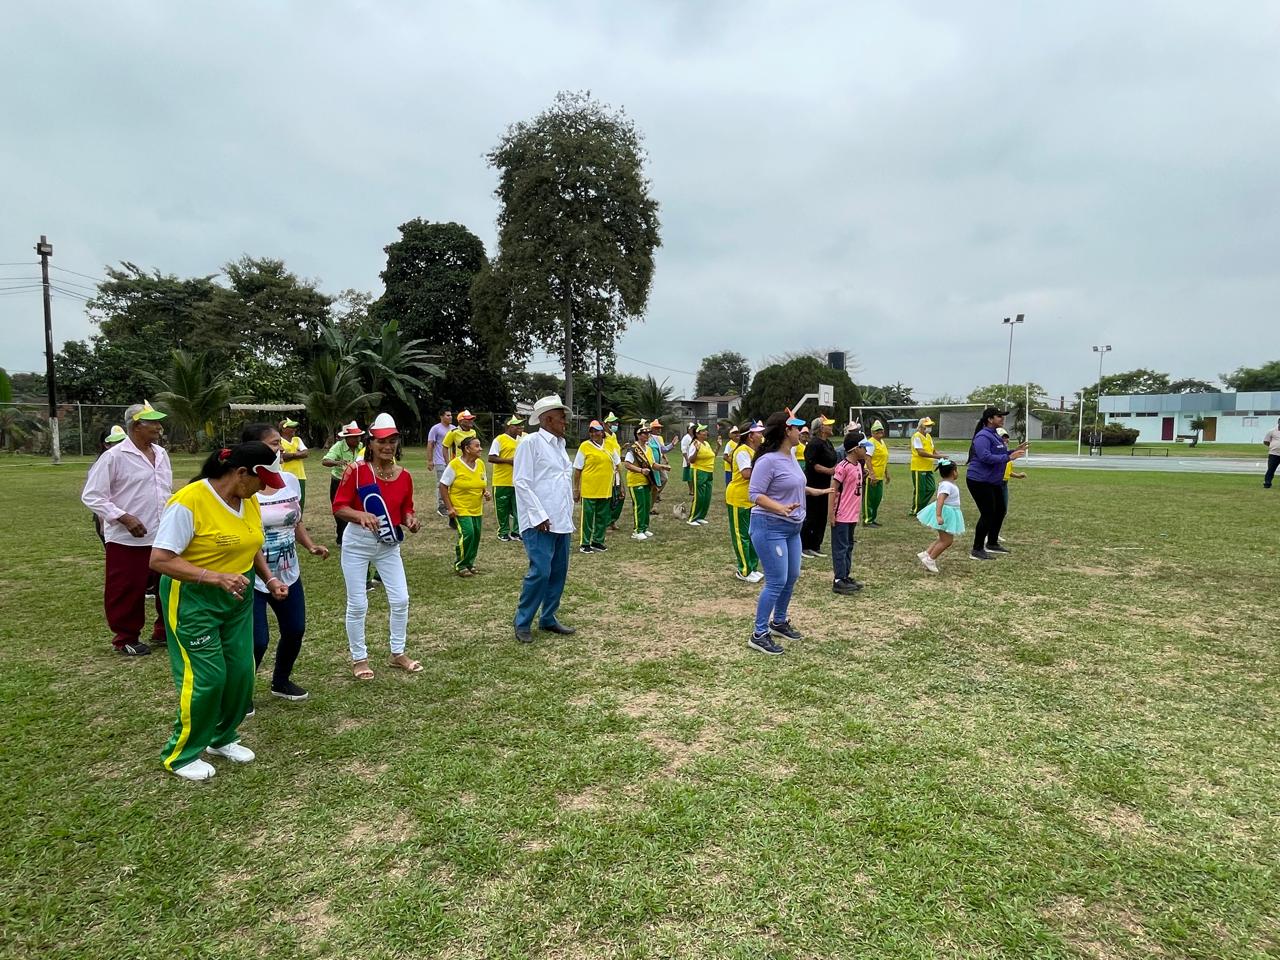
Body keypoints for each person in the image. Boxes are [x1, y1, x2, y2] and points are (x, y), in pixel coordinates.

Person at [149, 441, 287, 781]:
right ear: (241, 473)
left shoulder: (248, 499)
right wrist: (213, 577)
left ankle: (222, 736)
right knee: (207, 678)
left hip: (237, 597)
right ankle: (180, 755)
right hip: (193, 599)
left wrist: (269, 578)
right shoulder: (189, 501)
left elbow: (250, 544)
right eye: (262, 480)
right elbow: (160, 560)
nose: (264, 488)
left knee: (241, 673)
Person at [240, 423, 329, 704]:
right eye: (274, 443)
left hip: (288, 572)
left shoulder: (289, 481)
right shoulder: (244, 487)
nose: (281, 449)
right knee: (257, 641)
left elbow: (295, 520)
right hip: (252, 575)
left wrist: (310, 545)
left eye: (280, 443)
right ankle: (241, 695)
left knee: (295, 630)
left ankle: (281, 681)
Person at [332, 413, 422, 678]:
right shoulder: (357, 471)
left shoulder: (404, 476)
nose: (387, 446)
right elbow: (339, 507)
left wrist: (410, 520)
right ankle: (359, 659)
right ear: (370, 443)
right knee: (358, 603)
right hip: (357, 543)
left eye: (392, 441)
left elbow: (406, 509)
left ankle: (398, 653)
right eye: (381, 441)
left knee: (401, 599)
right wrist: (359, 515)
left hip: (388, 544)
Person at [81, 400, 174, 657]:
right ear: (136, 426)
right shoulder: (114, 456)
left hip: (162, 533)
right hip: (127, 538)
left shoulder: (161, 454)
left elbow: (164, 490)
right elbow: (92, 495)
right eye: (152, 423)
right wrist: (122, 517)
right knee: (127, 588)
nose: (159, 427)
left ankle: (164, 630)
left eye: (158, 422)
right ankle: (126, 637)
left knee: (166, 585)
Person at [746, 411, 833, 656]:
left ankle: (779, 622)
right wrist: (780, 508)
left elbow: (792, 484)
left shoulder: (791, 455)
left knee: (791, 576)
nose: (801, 432)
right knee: (776, 580)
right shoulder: (767, 461)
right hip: (769, 526)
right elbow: (754, 494)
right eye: (796, 428)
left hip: (792, 528)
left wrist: (815, 491)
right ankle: (758, 634)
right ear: (787, 431)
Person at [513, 395, 577, 644]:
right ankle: (523, 622)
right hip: (539, 522)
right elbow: (521, 482)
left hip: (561, 520)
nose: (565, 422)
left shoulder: (560, 445)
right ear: (547, 419)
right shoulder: (531, 443)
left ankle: (548, 617)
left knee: (558, 572)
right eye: (562, 418)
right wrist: (538, 514)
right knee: (540, 572)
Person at [965, 406, 1027, 560]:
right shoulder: (982, 436)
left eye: (1002, 416)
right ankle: (977, 549)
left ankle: (992, 543)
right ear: (990, 419)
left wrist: (1012, 451)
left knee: (1000, 510)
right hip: (979, 480)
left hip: (993, 481)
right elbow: (985, 457)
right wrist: (1009, 457)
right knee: (987, 513)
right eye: (999, 416)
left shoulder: (995, 435)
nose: (1002, 418)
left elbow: (999, 453)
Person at [441, 435, 491, 576]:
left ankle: (469, 563)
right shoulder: (455, 465)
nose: (481, 449)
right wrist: (450, 508)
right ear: (467, 449)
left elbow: (481, 482)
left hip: (476, 508)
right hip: (460, 508)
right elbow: (443, 486)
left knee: (475, 536)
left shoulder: (480, 464)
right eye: (477, 446)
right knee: (468, 533)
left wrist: (485, 492)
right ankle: (461, 564)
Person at [829, 434, 870, 595]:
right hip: (842, 514)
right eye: (863, 447)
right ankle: (838, 579)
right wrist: (831, 514)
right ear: (855, 449)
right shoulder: (843, 467)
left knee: (848, 546)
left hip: (852, 515)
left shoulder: (858, 465)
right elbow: (833, 490)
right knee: (840, 547)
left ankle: (845, 576)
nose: (865, 450)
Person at [725, 420, 764, 583]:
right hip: (738, 498)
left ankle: (752, 567)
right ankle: (744, 570)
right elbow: (746, 473)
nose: (761, 435)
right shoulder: (742, 451)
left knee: (752, 534)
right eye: (758, 433)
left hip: (751, 499)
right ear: (750, 436)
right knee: (741, 536)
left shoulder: (754, 451)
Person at [574, 420, 620, 553]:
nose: (594, 434)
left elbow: (617, 465)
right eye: (591, 431)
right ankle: (585, 543)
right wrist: (576, 488)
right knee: (587, 517)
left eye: (597, 431)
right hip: (589, 489)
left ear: (602, 432)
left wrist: (620, 486)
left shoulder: (610, 445)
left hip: (605, 488)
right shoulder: (585, 446)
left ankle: (597, 541)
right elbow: (577, 469)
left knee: (602, 517)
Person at [916, 459, 964, 573]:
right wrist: (938, 515)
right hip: (946, 513)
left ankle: (927, 553)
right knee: (947, 541)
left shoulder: (947, 484)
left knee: (943, 538)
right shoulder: (947, 486)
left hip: (949, 512)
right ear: (954, 472)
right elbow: (940, 500)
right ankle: (930, 559)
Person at [800, 415, 838, 558]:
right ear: (821, 428)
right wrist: (829, 471)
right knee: (811, 515)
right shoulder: (814, 444)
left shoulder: (828, 443)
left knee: (822, 515)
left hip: (825, 484)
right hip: (813, 484)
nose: (831, 427)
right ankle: (805, 545)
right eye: (828, 425)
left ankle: (816, 545)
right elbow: (812, 464)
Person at [321, 422, 365, 544]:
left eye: (358, 436)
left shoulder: (361, 447)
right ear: (347, 438)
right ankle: (341, 539)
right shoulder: (338, 446)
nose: (357, 439)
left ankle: (355, 537)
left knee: (356, 509)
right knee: (340, 511)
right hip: (339, 482)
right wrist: (337, 462)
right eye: (354, 437)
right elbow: (325, 461)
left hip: (356, 483)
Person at [488, 415, 524, 541]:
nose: (520, 427)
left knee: (518, 508)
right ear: (509, 426)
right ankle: (503, 531)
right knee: (502, 509)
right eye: (516, 425)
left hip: (518, 480)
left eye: (520, 425)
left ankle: (516, 531)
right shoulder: (500, 439)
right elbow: (491, 457)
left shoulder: (523, 439)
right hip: (502, 481)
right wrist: (509, 461)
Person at [625, 422, 659, 539]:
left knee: (646, 505)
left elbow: (652, 464)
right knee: (639, 505)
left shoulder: (648, 449)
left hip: (647, 481)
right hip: (636, 481)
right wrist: (640, 470)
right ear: (638, 435)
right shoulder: (633, 449)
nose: (647, 435)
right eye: (644, 433)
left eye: (648, 433)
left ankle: (644, 528)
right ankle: (637, 530)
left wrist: (662, 467)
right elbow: (627, 464)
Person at [908, 416, 946, 515]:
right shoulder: (917, 436)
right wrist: (937, 457)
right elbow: (920, 452)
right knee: (920, 490)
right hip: (919, 467)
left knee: (931, 488)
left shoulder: (928, 436)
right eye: (927, 426)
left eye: (930, 426)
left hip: (928, 467)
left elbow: (933, 450)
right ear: (921, 426)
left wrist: (941, 457)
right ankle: (916, 510)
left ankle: (922, 507)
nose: (929, 428)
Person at [425, 408, 453, 516]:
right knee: (442, 484)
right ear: (441, 416)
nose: (450, 417)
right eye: (447, 415)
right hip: (440, 461)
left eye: (450, 415)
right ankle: (441, 507)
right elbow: (430, 444)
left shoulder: (454, 429)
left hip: (452, 461)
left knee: (452, 484)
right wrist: (430, 460)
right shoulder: (435, 429)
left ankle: (450, 505)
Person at [686, 423, 715, 525]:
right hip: (699, 471)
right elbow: (691, 460)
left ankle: (701, 516)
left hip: (709, 471)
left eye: (705, 430)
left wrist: (718, 446)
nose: (706, 432)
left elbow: (712, 456)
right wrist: (696, 451)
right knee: (699, 496)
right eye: (703, 431)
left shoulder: (706, 444)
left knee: (707, 496)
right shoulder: (695, 444)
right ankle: (692, 518)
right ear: (697, 434)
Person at [863, 421, 890, 527]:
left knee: (877, 499)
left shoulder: (882, 442)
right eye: (877, 430)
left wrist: (886, 473)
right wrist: (872, 474)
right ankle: (867, 520)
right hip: (871, 476)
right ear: (872, 432)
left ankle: (873, 518)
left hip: (880, 476)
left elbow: (884, 460)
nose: (879, 432)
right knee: (869, 499)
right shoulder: (870, 442)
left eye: (881, 430)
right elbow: (867, 458)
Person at [278, 417, 309, 509]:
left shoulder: (297, 439)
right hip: (285, 475)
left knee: (300, 500)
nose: (294, 429)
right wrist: (297, 454)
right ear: (283, 429)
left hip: (300, 475)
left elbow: (305, 453)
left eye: (294, 427)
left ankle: (299, 517)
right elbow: (283, 457)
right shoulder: (279, 440)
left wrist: (291, 455)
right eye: (291, 427)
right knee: (287, 501)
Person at [603, 412, 626, 530]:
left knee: (620, 496)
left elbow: (615, 452)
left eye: (616, 422)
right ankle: (607, 521)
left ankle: (612, 520)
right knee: (609, 497)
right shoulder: (603, 436)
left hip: (617, 470)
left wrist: (622, 449)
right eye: (612, 423)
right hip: (608, 471)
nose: (615, 424)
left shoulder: (614, 436)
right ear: (606, 424)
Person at [679, 423, 697, 496]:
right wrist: (687, 460)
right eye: (692, 428)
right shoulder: (686, 438)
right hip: (688, 458)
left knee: (694, 475)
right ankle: (691, 490)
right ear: (688, 429)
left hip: (695, 458)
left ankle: (695, 489)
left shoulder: (695, 437)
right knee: (689, 476)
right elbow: (683, 449)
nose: (693, 429)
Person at [1263, 417, 1280, 488]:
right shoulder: (1271, 431)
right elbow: (1266, 441)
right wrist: (1273, 446)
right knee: (1271, 469)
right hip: (1274, 454)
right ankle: (1267, 483)